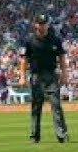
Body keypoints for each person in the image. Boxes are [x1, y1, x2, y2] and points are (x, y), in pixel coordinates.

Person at [18, 13, 69, 144]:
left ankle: (61, 134)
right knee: (36, 107)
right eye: (40, 23)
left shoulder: (56, 39)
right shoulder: (29, 41)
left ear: (48, 24)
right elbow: (24, 60)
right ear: (35, 25)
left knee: (56, 105)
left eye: (44, 23)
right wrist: (22, 77)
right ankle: (35, 136)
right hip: (36, 76)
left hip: (51, 76)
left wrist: (64, 74)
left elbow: (62, 58)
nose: (42, 25)